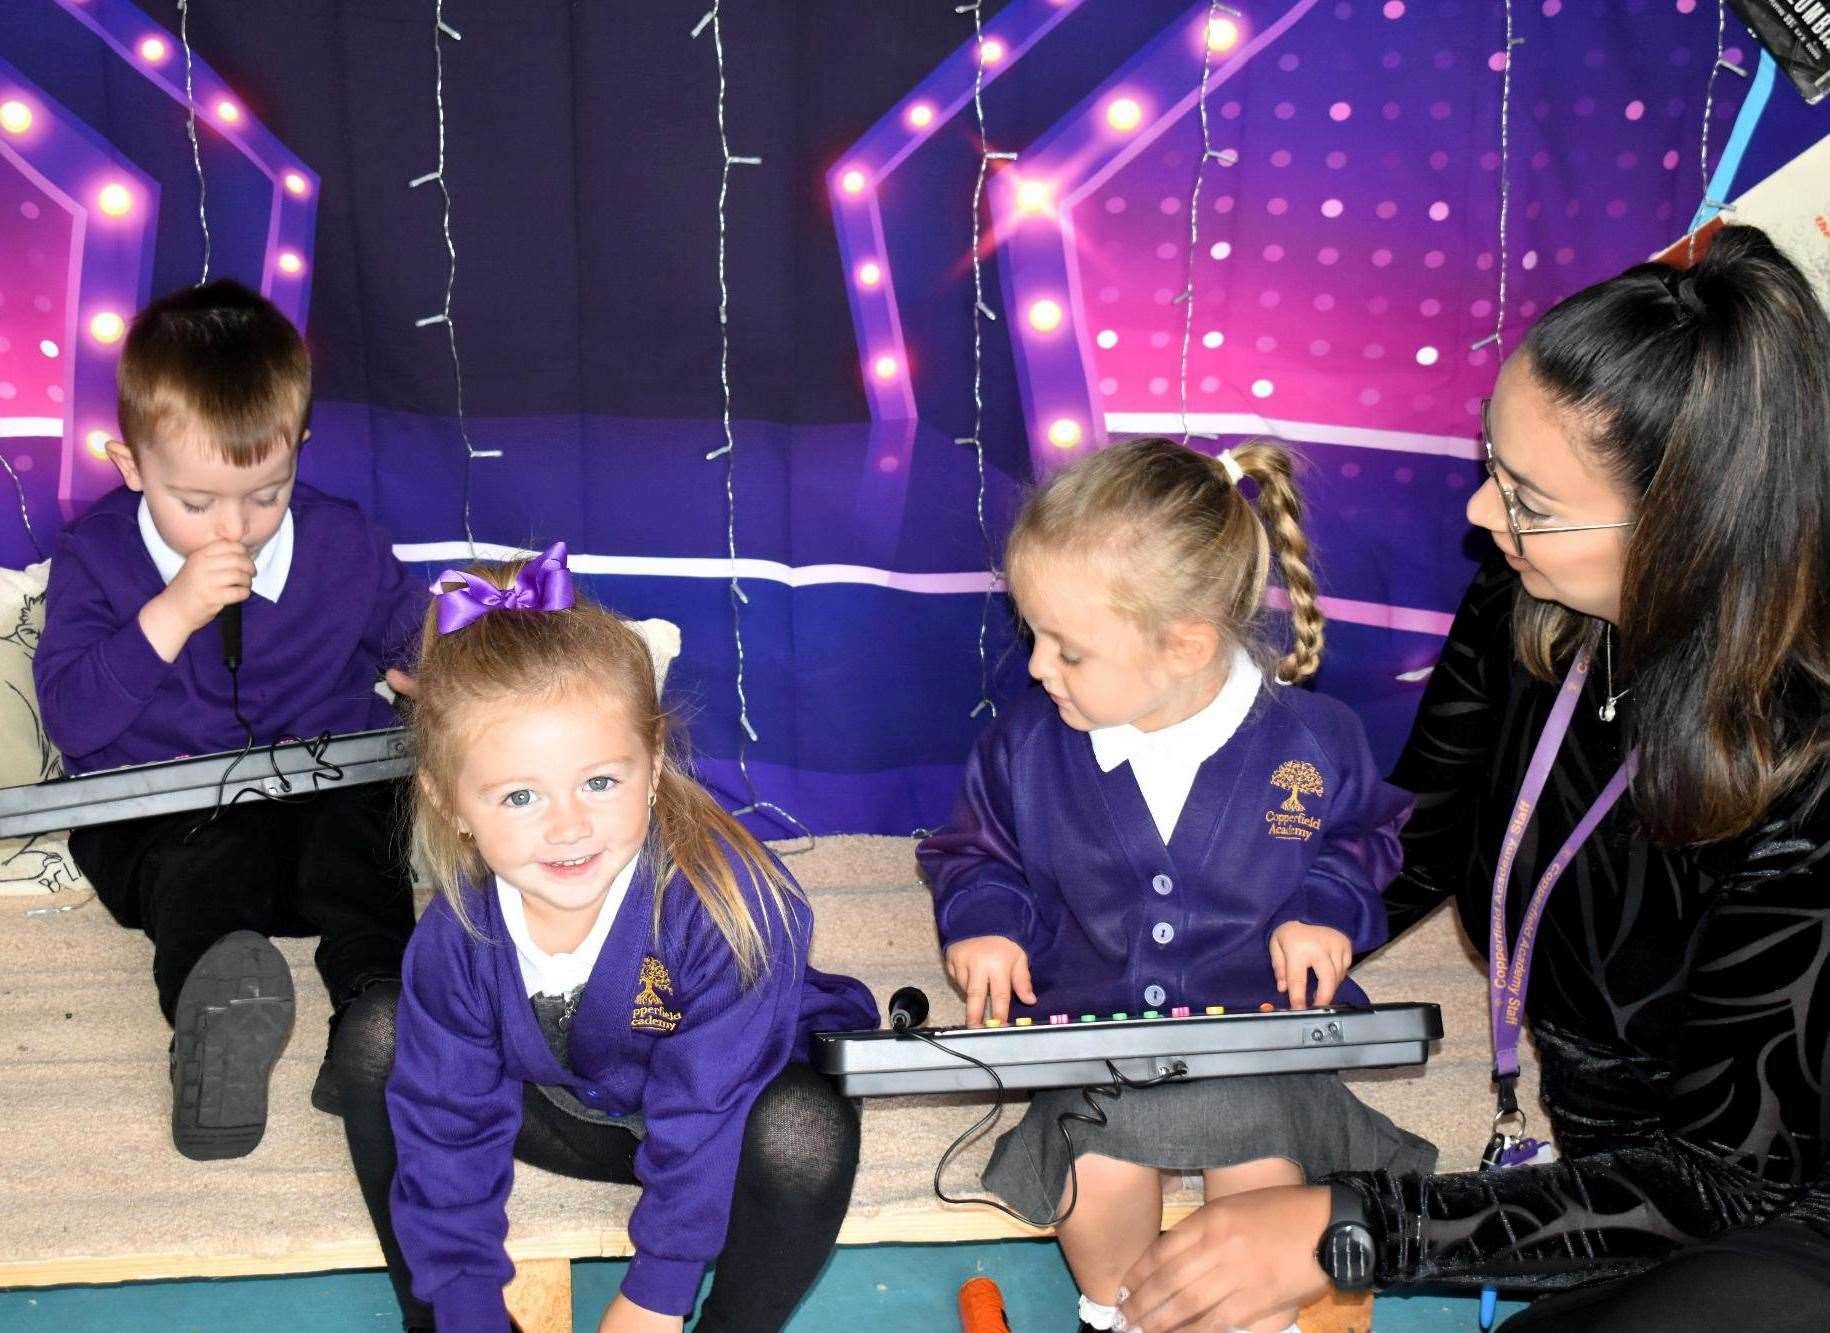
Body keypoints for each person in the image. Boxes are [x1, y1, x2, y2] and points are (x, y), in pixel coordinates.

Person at [1116, 225, 1830, 1333]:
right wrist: (1228, 955)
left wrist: (1351, 1224)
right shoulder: (1525, 606)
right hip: (1612, 1181)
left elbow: (1730, 1179)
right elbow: (1420, 835)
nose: (1481, 515)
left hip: (1770, 1221)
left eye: (1530, 499)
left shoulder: (1811, 772)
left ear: (1694, 523)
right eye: (1492, 466)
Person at [917, 437, 1437, 1333]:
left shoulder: (1313, 740)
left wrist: (1326, 906)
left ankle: (1245, 1321)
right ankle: (1118, 1314)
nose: (1038, 668)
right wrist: (987, 922)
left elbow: (1365, 836)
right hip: (1097, 1039)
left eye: (1067, 650)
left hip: (1257, 1036)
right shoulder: (1027, 746)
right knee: (1095, 1174)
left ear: (1187, 643)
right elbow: (974, 852)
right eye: (1033, 635)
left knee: (1260, 1174)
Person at [332, 544, 878, 1333]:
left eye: (599, 780)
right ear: (450, 802)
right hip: (577, 1109)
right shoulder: (459, 936)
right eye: (520, 794)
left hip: (723, 1123)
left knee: (805, 1132)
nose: (567, 826)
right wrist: (465, 1304)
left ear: (652, 765)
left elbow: (707, 1106)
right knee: (377, 1037)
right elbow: (447, 1118)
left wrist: (656, 1294)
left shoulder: (734, 904)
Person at [34, 279, 424, 1160]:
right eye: (197, 503)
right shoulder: (94, 556)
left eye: (265, 494)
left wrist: (445, 671)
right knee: (201, 862)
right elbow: (73, 719)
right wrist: (168, 613)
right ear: (129, 467)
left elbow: (413, 640)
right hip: (162, 817)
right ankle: (213, 1028)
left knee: (364, 839)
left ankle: (377, 1016)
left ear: (297, 455)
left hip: (318, 795)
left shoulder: (342, 540)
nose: (236, 528)